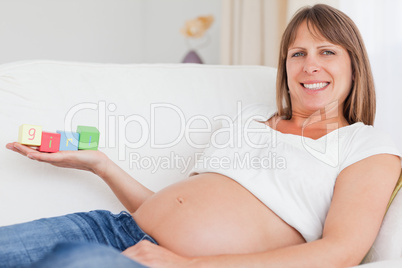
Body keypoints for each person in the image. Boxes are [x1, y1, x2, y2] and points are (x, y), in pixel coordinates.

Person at [1, 4, 401, 268]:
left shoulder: (367, 146)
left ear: (354, 65)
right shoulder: (249, 121)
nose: (310, 65)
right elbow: (174, 207)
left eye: (327, 52)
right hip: (111, 227)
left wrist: (188, 265)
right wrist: (101, 165)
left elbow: (341, 251)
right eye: (298, 54)